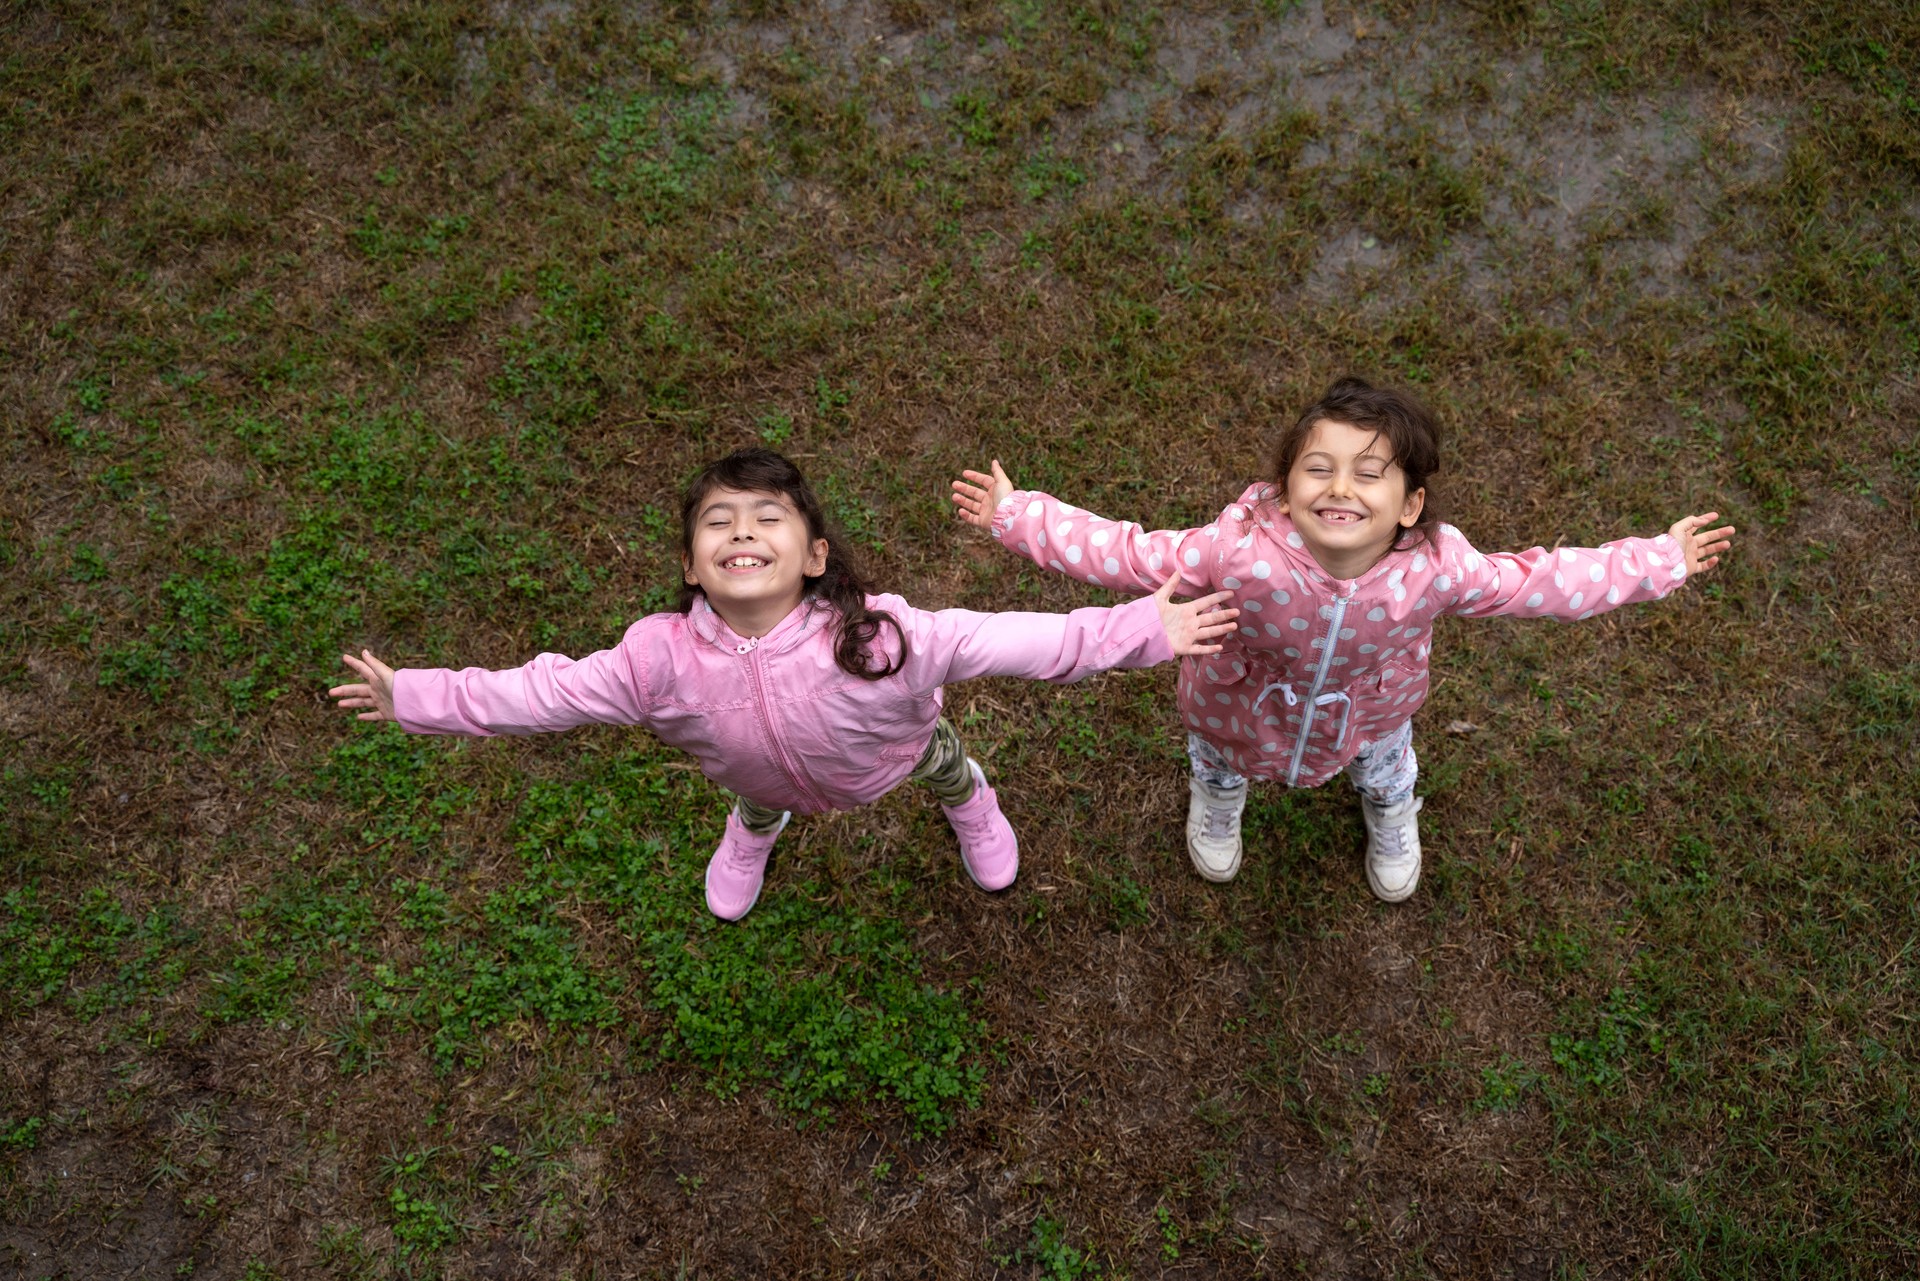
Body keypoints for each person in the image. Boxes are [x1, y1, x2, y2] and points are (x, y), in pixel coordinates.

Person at [330, 447, 1239, 920]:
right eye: (717, 521)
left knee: (948, 767)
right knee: (759, 803)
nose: (741, 531)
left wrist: (1135, 629)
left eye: (768, 517)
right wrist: (413, 695)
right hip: (756, 778)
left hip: (900, 753)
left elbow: (1009, 640)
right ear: (691, 564)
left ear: (813, 555)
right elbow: (538, 694)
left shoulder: (879, 638)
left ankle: (973, 809)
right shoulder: (654, 662)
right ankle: (751, 835)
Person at [951, 377, 1734, 901]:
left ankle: (1391, 806)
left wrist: (1660, 559)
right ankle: (1219, 797)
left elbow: (1544, 581)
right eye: (1318, 468)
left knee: (1385, 764)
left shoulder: (1437, 569)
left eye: (1369, 473)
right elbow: (1128, 551)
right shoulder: (1234, 551)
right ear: (1286, 495)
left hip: (1373, 709)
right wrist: (1018, 516)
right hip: (1236, 700)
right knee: (1220, 754)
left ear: (1409, 504)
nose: (1339, 486)